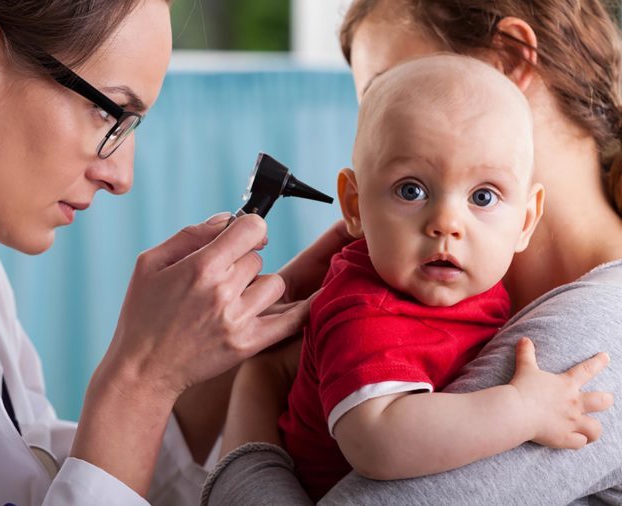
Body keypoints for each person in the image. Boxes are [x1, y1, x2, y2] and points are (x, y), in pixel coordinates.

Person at [0, 1, 345, 504]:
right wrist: (141, 378)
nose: (121, 177)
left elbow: (49, 476)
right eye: (109, 112)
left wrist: (209, 362)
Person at [202, 0, 622, 504]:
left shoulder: (596, 335)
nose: (444, 223)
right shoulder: (415, 297)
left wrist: (257, 390)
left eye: (386, 84)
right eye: (410, 189)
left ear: (509, 61)